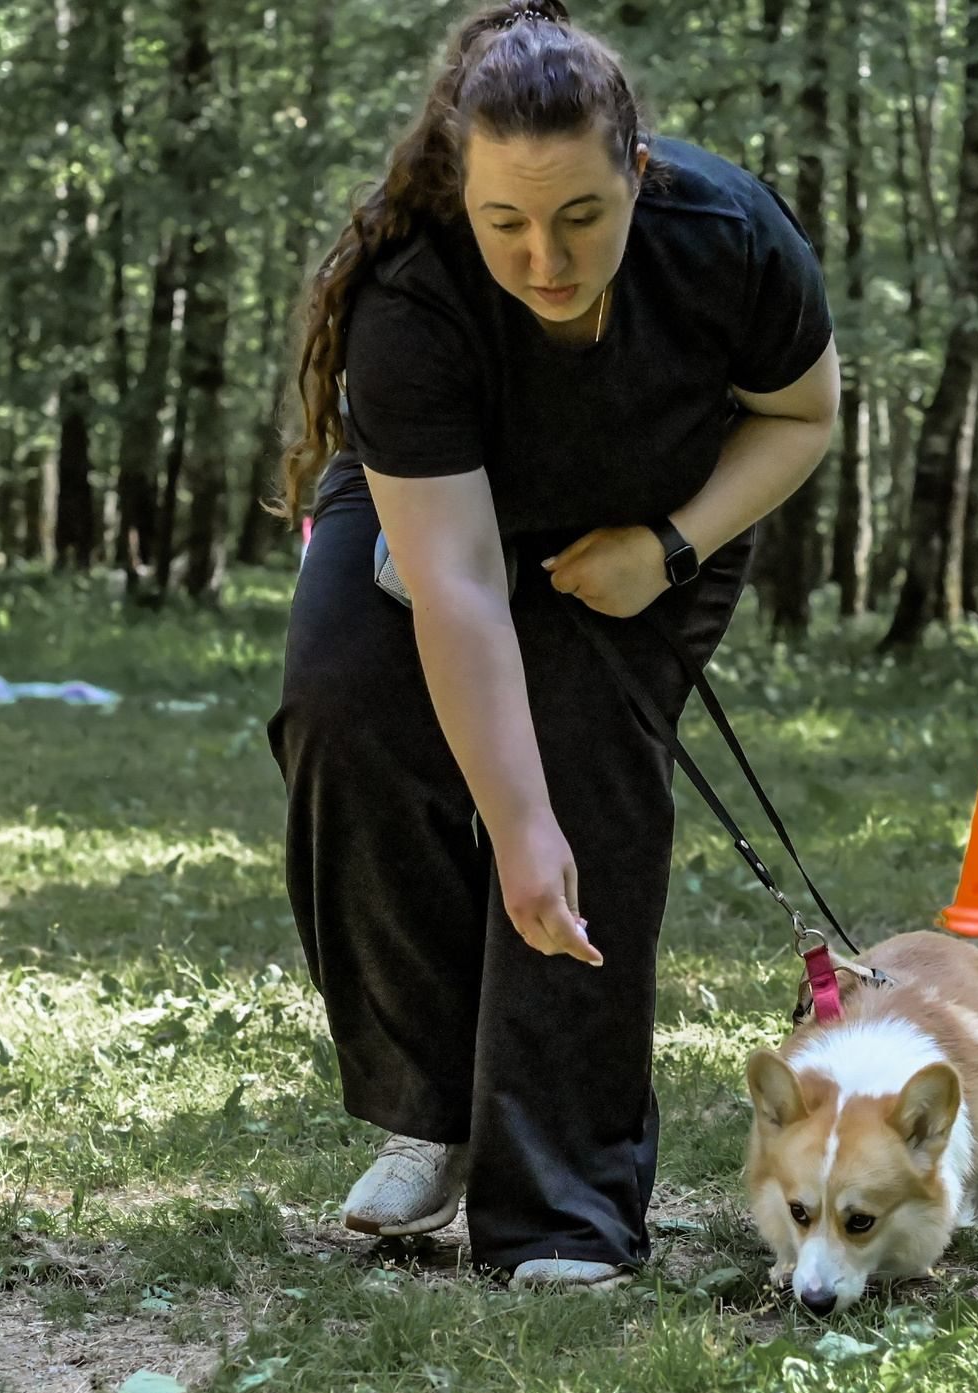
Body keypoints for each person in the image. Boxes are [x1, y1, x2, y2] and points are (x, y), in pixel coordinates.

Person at [272, 0, 838, 1289]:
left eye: (582, 216)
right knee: (344, 705)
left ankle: (567, 1207)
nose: (545, 257)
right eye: (506, 222)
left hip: (658, 512)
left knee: (585, 763)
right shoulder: (412, 289)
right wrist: (511, 827)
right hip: (442, 508)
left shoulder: (728, 236)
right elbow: (460, 584)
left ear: (638, 174)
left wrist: (672, 549)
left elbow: (801, 413)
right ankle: (435, 1104)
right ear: (459, 194)